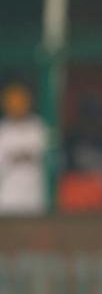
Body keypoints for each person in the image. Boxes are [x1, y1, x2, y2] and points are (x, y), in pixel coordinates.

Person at [0, 84, 48, 216]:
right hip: (8, 199)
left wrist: (18, 156)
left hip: (35, 198)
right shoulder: (3, 130)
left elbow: (44, 155)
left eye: (20, 104)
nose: (17, 109)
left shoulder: (37, 127)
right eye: (13, 104)